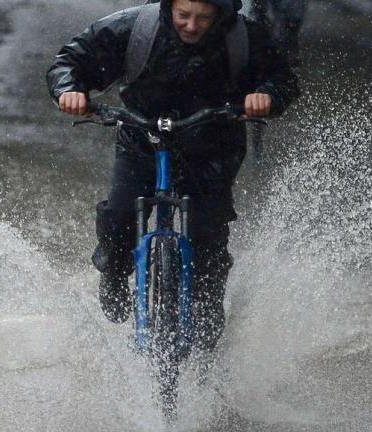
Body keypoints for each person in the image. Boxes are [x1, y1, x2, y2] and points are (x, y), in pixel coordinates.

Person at [47, 0, 299, 352]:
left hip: (212, 142)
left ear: (220, 15)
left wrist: (267, 95)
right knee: (120, 214)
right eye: (184, 15)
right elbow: (71, 60)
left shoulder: (244, 37)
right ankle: (115, 272)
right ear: (170, 8)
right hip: (141, 136)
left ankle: (207, 314)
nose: (192, 26)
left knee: (208, 235)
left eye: (203, 18)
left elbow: (283, 77)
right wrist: (70, 90)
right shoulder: (135, 27)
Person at [249, 0, 307, 65]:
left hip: (289, 13)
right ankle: (281, 55)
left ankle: (281, 55)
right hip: (289, 13)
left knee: (288, 33)